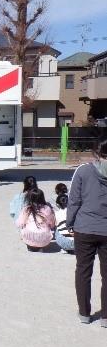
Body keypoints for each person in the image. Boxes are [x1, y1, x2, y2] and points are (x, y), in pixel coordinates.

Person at [67, 137, 107, 326]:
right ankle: (106, 317)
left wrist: (70, 222)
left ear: (96, 153)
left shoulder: (83, 171)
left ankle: (84, 313)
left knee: (83, 271)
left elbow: (74, 200)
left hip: (84, 227)